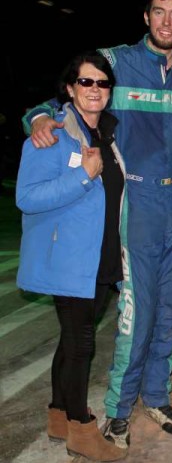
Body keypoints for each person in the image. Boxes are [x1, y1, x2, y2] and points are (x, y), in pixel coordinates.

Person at [21, 0, 172, 450]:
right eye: (160, 12)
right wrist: (38, 118)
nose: (168, 21)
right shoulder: (117, 61)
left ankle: (157, 395)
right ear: (146, 16)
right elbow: (68, 92)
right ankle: (118, 410)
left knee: (169, 308)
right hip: (136, 203)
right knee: (136, 311)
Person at [16, 52, 127, 462]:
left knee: (71, 340)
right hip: (69, 260)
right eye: (86, 82)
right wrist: (83, 176)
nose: (94, 90)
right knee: (81, 344)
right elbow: (26, 197)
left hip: (100, 257)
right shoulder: (51, 135)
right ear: (69, 88)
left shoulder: (108, 136)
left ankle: (59, 416)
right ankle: (82, 428)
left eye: (102, 83)